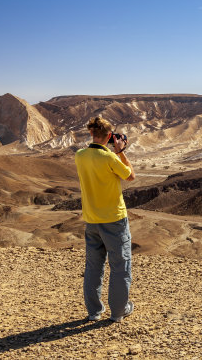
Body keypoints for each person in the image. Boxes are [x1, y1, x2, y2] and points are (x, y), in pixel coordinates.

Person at [75, 116, 136, 322]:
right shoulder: (110, 157)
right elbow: (129, 176)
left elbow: (91, 155)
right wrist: (120, 151)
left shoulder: (80, 155)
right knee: (120, 266)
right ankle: (118, 312)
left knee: (93, 266)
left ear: (91, 133)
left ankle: (94, 312)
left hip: (91, 219)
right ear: (110, 136)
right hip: (114, 219)